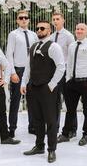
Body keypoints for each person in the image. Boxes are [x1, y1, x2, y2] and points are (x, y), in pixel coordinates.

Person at [21, 21, 65, 163]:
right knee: (37, 119)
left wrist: (51, 85)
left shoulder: (54, 46)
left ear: (49, 31)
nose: (39, 30)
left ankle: (51, 150)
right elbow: (28, 67)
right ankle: (39, 145)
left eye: (42, 28)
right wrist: (24, 83)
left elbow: (61, 67)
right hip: (33, 88)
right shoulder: (33, 46)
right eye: (37, 28)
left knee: (51, 120)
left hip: (48, 89)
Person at [57, 23, 87, 146]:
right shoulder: (72, 46)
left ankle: (86, 134)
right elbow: (69, 63)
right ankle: (66, 133)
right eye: (77, 29)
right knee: (70, 109)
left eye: (82, 29)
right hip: (72, 82)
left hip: (85, 83)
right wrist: (68, 79)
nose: (79, 31)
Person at [6, 10, 38, 138]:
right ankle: (12, 128)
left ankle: (33, 126)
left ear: (29, 20)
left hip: (32, 70)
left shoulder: (34, 35)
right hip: (18, 70)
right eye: (21, 18)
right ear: (17, 20)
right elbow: (9, 54)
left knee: (33, 100)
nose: (24, 19)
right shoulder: (13, 34)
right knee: (15, 100)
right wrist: (12, 72)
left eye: (26, 17)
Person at [50, 12, 76, 137]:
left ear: (63, 20)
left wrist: (70, 74)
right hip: (54, 72)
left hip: (66, 71)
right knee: (55, 101)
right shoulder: (51, 36)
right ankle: (55, 127)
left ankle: (72, 129)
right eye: (54, 19)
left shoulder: (68, 36)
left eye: (58, 19)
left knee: (69, 101)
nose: (55, 21)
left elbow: (72, 56)